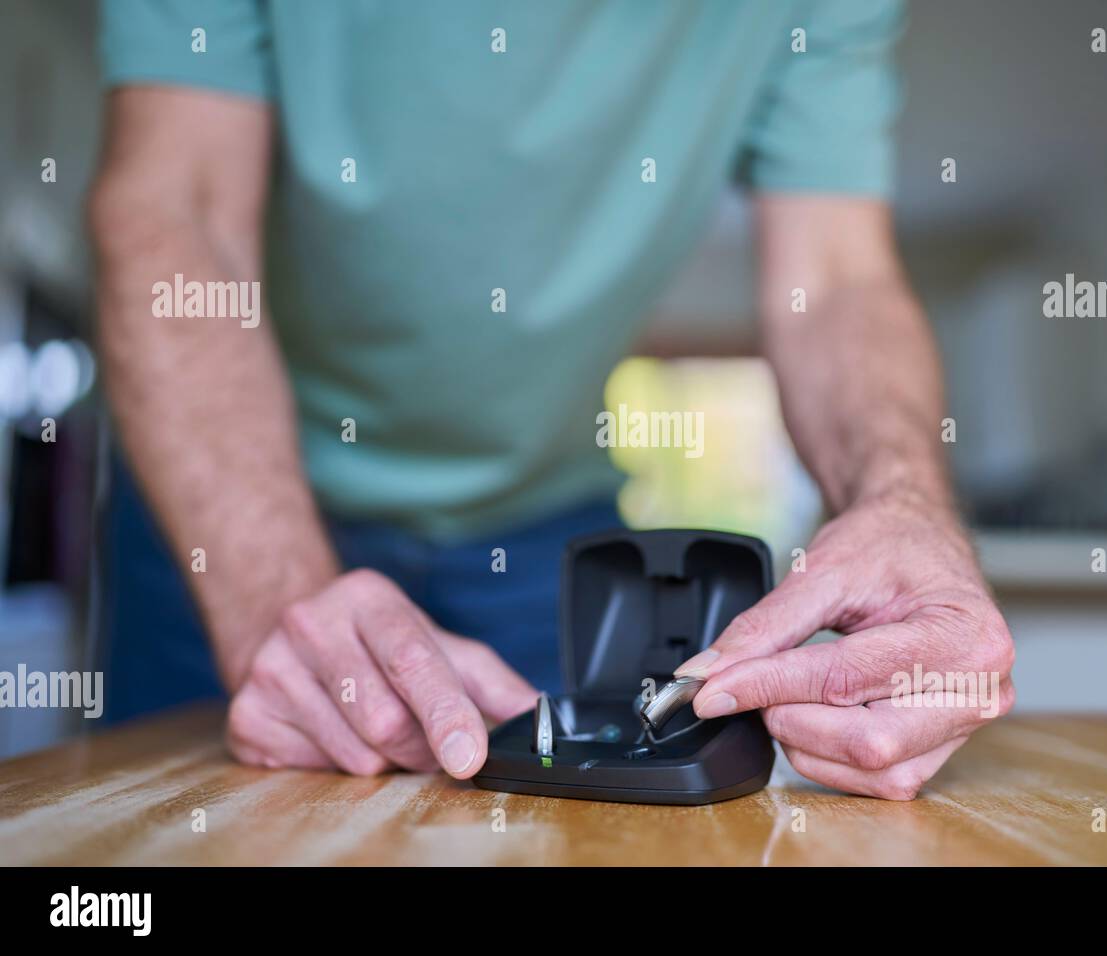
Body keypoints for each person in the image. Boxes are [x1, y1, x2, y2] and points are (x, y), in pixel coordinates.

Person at [90, 0, 1014, 799]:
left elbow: (840, 278)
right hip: (236, 514)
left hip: (544, 544)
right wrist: (272, 597)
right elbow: (178, 211)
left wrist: (906, 499)